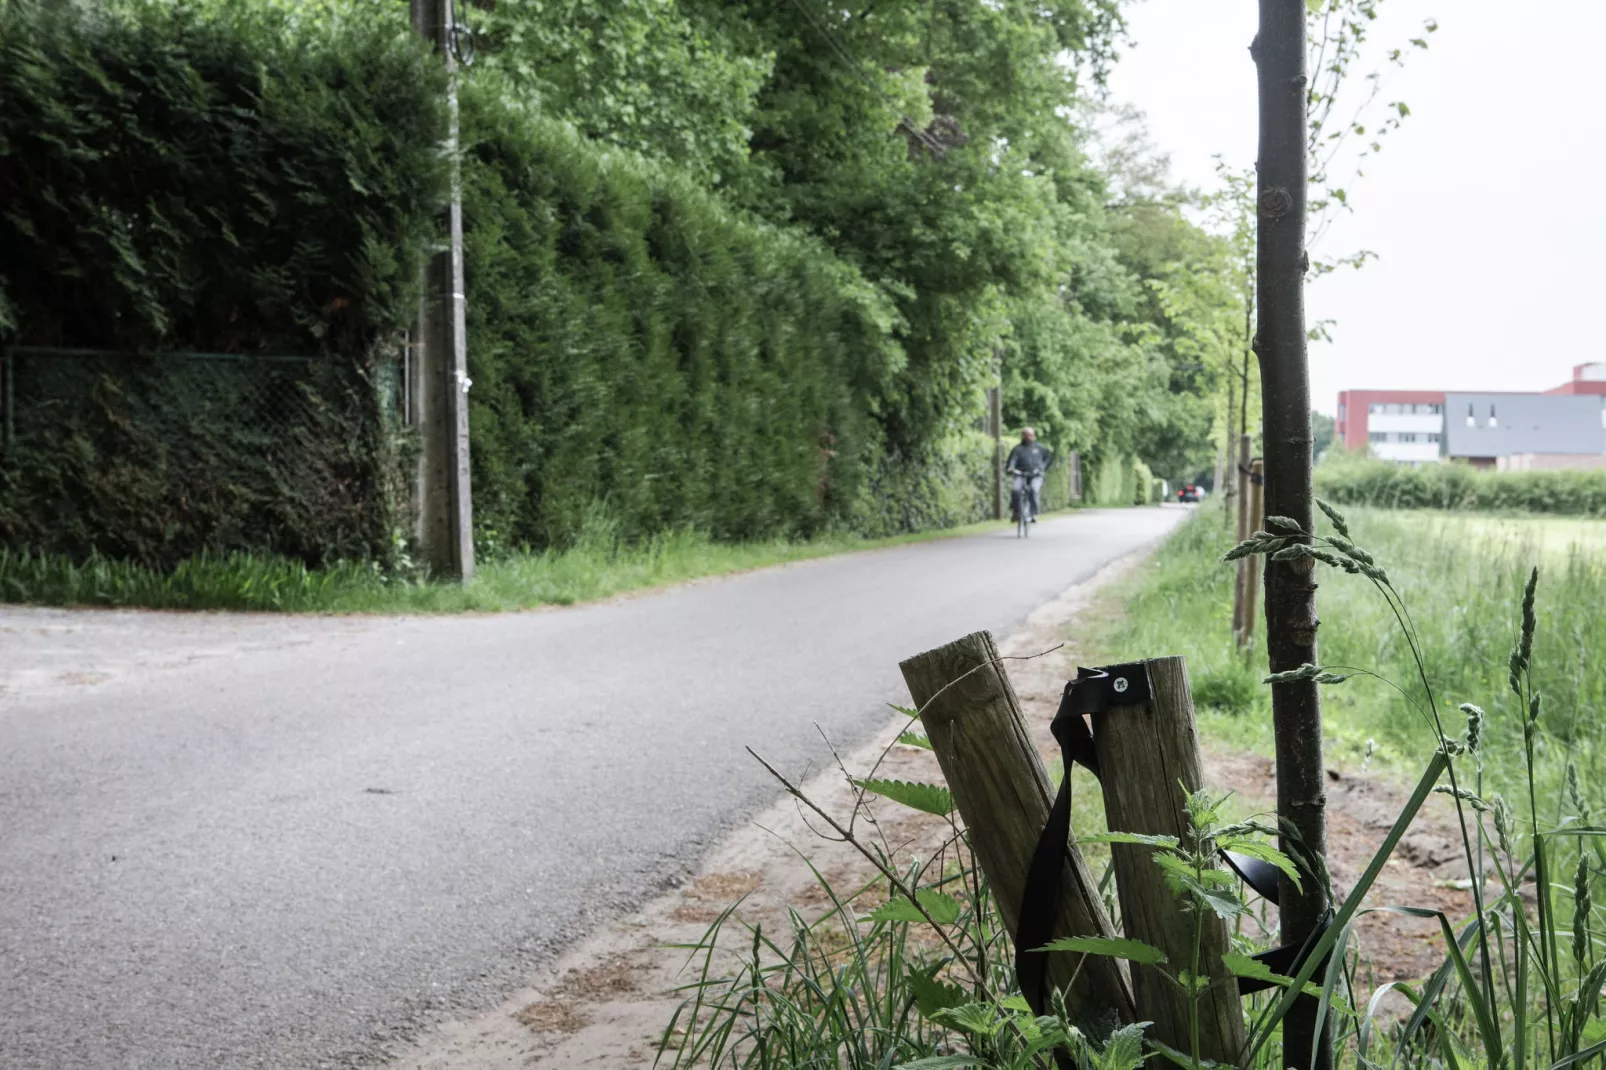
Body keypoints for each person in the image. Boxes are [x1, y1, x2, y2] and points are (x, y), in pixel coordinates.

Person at [1005, 427, 1053, 523]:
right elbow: (1012, 460)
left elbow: (1049, 458)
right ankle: (1016, 512)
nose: (1027, 437)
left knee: (1034, 490)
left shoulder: (1040, 448)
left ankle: (1033, 513)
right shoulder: (1017, 449)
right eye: (1025, 435)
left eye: (1030, 435)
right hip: (1020, 474)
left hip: (1036, 475)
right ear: (1022, 436)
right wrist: (1011, 468)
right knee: (1015, 490)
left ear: (1033, 436)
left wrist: (1042, 468)